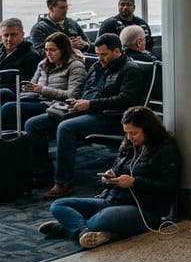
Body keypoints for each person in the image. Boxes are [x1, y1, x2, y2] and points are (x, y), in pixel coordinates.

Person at [37, 106, 181, 249]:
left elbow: (168, 188)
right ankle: (81, 230)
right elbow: (117, 170)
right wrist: (110, 177)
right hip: (112, 200)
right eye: (126, 133)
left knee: (102, 219)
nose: (129, 137)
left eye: (134, 133)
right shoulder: (129, 145)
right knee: (59, 205)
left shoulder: (166, 150)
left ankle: (68, 227)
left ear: (149, 130)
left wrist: (134, 183)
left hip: (144, 210)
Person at [26, 33, 147, 199]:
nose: (100, 58)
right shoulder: (98, 66)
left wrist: (90, 104)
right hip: (87, 109)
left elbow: (126, 99)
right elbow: (86, 89)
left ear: (117, 51)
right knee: (33, 124)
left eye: (104, 54)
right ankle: (43, 172)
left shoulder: (130, 70)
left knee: (66, 127)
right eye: (97, 54)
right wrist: (77, 103)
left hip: (110, 116)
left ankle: (63, 181)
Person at [0, 30, 85, 126]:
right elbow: (33, 83)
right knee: (3, 93)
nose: (49, 53)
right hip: (36, 98)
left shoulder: (75, 66)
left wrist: (42, 90)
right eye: (46, 50)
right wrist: (28, 88)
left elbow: (73, 94)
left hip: (53, 103)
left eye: (53, 50)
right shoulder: (43, 64)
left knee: (9, 108)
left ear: (63, 50)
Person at [0, 17, 42, 101]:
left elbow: (25, 84)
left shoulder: (31, 56)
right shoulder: (1, 50)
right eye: (6, 35)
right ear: (1, 37)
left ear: (22, 35)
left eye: (13, 35)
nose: (9, 39)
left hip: (14, 93)